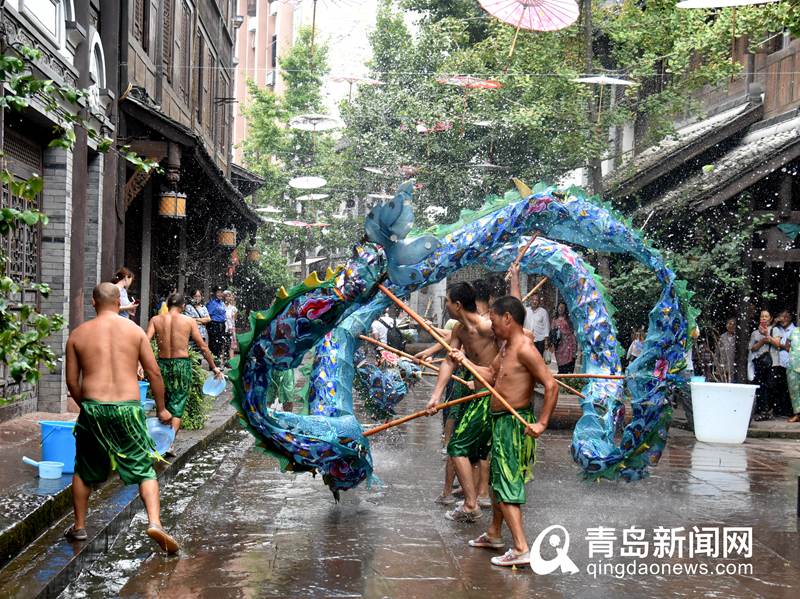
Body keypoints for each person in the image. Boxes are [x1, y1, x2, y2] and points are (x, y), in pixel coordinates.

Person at [64, 283, 179, 553]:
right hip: (128, 408)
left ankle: (79, 526)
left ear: (93, 302)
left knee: (84, 469)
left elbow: (72, 382)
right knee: (144, 469)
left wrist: (87, 407)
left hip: (93, 407)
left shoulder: (78, 335)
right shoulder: (135, 331)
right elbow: (154, 373)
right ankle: (155, 523)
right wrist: (161, 408)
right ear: (119, 303)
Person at [450, 295, 558, 567]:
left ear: (508, 318)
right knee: (498, 480)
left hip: (514, 424)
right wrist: (464, 361)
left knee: (507, 482)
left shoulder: (524, 348)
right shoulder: (507, 347)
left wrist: (542, 423)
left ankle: (521, 548)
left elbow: (551, 385)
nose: (492, 325)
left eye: (495, 320)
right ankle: (494, 533)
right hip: (500, 421)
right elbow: (489, 375)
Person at [426, 282, 498, 522]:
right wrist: (436, 396)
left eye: (447, 301)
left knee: (457, 446)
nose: (446, 305)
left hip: (492, 397)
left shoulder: (488, 327)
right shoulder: (459, 330)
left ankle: (471, 504)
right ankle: (474, 500)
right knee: (473, 453)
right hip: (476, 396)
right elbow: (449, 361)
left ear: (457, 305)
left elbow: (516, 343)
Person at [147, 293, 223, 451]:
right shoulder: (188, 321)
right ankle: (168, 444)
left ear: (167, 304)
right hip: (181, 365)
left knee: (163, 404)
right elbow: (203, 347)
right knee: (177, 406)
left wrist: (141, 364)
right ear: (183, 306)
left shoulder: (155, 320)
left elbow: (145, 342)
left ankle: (160, 442)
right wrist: (214, 367)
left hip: (161, 365)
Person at [749, 310, 781, 421]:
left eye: (766, 316)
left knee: (771, 386)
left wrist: (767, 335)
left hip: (773, 363)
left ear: (770, 318)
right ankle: (763, 411)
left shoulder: (775, 330)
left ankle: (770, 410)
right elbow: (752, 348)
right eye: (762, 316)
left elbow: (778, 344)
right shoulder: (755, 333)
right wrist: (762, 341)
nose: (763, 318)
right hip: (760, 363)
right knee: (761, 387)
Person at [772, 310, 794, 417]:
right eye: (781, 317)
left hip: (789, 363)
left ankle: (787, 410)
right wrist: (774, 323)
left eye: (786, 317)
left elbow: (790, 347)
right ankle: (778, 410)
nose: (783, 319)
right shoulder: (777, 329)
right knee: (777, 386)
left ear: (790, 318)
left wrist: (778, 344)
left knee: (788, 387)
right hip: (777, 362)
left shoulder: (794, 330)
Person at [551, 301, 577, 374]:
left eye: (562, 308)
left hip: (569, 344)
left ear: (565, 309)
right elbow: (552, 332)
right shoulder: (554, 320)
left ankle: (567, 377)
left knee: (569, 364)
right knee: (560, 363)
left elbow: (572, 330)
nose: (561, 309)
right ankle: (561, 375)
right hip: (559, 345)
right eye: (560, 307)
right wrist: (552, 343)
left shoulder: (568, 319)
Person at [206, 286, 227, 366]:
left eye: (221, 292)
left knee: (220, 344)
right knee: (213, 344)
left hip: (222, 325)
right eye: (218, 292)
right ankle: (213, 363)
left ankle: (217, 361)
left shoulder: (222, 303)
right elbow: (208, 315)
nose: (220, 294)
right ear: (215, 293)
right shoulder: (211, 303)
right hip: (214, 325)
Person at [788, 324, 800, 423]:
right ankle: (797, 414)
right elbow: (787, 345)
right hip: (793, 365)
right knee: (794, 391)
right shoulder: (794, 331)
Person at [224, 291, 239, 362]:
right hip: (223, 328)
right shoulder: (221, 306)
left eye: (229, 296)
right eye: (226, 296)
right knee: (223, 346)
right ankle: (222, 363)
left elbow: (234, 319)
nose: (228, 298)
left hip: (231, 328)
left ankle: (232, 362)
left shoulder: (233, 308)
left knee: (231, 346)